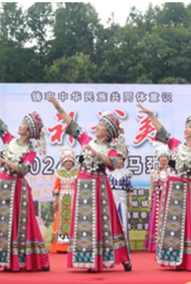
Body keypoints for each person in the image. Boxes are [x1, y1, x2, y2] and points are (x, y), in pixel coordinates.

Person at [136, 103, 191, 270]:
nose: (186, 129)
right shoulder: (176, 144)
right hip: (170, 190)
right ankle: (174, 257)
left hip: (186, 190)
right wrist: (151, 116)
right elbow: (162, 131)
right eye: (186, 126)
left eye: (190, 127)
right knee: (171, 224)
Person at [0, 90, 50, 272]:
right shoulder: (9, 139)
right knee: (2, 223)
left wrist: (6, 162)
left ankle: (26, 260)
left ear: (29, 130)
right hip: (2, 185)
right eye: (21, 123)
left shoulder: (30, 151)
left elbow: (24, 169)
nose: (20, 126)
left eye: (24, 124)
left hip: (17, 188)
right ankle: (5, 259)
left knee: (20, 224)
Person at [48, 95, 131, 271]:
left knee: (105, 222)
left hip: (99, 185)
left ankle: (119, 258)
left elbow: (115, 163)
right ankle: (87, 258)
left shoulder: (110, 149)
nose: (97, 127)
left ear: (107, 132)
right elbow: (71, 124)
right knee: (84, 222)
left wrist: (97, 154)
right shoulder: (86, 140)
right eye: (98, 124)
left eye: (101, 125)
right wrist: (58, 108)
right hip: (83, 184)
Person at [145, 142, 174, 252]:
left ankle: (167, 243)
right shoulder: (154, 172)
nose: (163, 159)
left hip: (167, 195)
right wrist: (149, 199)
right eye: (161, 157)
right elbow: (151, 186)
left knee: (167, 217)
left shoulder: (171, 171)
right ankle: (155, 244)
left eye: (165, 157)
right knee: (156, 218)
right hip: (157, 196)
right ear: (158, 159)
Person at [50, 148, 79, 253]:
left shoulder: (77, 173)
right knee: (61, 223)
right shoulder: (60, 173)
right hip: (62, 200)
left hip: (73, 200)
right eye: (66, 161)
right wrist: (55, 201)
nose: (68, 163)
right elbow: (56, 188)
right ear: (63, 162)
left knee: (73, 222)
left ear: (73, 163)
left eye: (70, 161)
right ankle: (61, 246)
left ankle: (72, 245)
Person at [108, 135, 134, 253]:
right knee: (111, 220)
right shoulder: (109, 172)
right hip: (112, 196)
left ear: (124, 160)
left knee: (123, 219)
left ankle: (125, 246)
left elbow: (129, 187)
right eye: (117, 158)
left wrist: (130, 199)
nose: (119, 161)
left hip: (123, 196)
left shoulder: (127, 173)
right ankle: (111, 246)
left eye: (121, 158)